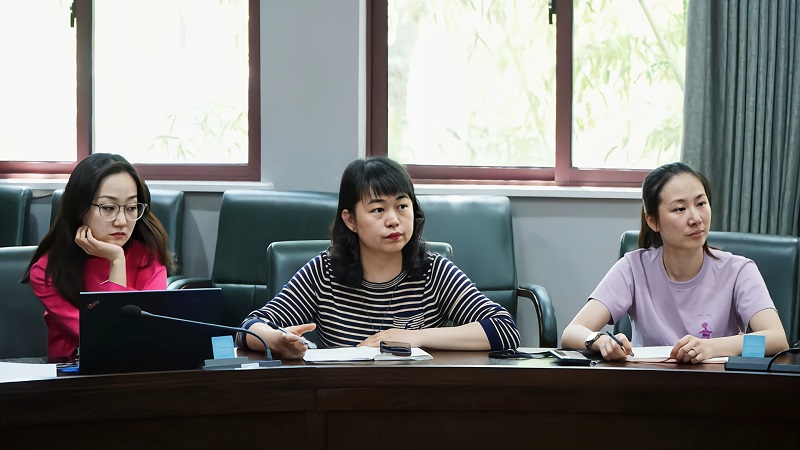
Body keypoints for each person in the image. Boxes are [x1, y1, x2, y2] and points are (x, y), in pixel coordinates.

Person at [237, 156, 520, 359]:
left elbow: (504, 329)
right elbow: (248, 328)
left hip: (418, 399)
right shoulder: (324, 271)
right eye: (378, 210)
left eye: (402, 206)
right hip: (342, 399)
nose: (393, 220)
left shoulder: (434, 271)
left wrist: (413, 337)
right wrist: (277, 341)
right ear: (350, 219)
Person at [561, 162, 789, 363]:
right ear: (653, 221)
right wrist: (600, 340)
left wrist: (712, 347)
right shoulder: (633, 268)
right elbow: (572, 332)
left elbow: (777, 340)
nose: (696, 219)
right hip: (650, 385)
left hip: (718, 387)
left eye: (701, 203)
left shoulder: (738, 270)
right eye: (680, 209)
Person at [23, 153, 174, 360]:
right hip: (75, 373)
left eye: (131, 208)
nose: (122, 221)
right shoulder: (48, 270)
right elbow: (109, 338)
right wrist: (117, 261)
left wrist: (116, 260)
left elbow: (147, 335)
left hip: (138, 369)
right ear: (80, 208)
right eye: (109, 208)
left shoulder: (148, 256)